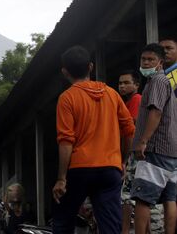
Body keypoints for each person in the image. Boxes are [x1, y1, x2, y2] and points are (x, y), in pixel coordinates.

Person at [52, 46, 135, 233]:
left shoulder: (67, 98)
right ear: (90, 67)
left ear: (65, 71)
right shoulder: (112, 94)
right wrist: (122, 161)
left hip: (80, 169)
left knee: (63, 220)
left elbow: (66, 141)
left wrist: (61, 179)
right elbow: (129, 130)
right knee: (110, 227)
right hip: (110, 169)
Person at [132, 43, 177, 234]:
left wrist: (143, 141)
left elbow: (156, 112)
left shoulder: (158, 81)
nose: (146, 63)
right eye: (143, 59)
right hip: (171, 151)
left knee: (143, 199)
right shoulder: (165, 82)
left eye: (150, 59)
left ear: (160, 62)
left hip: (156, 148)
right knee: (170, 199)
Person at [117, 70, 142, 234]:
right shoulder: (126, 103)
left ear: (136, 85)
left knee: (126, 196)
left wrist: (125, 160)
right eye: (120, 83)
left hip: (133, 154)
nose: (122, 86)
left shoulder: (136, 99)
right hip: (131, 154)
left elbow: (131, 131)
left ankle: (124, 231)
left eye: (126, 83)